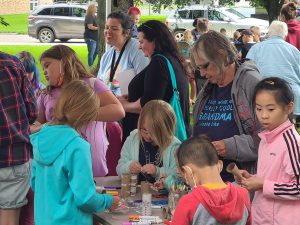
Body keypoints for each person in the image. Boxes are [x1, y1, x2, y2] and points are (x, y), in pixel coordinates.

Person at [30, 80, 119, 225]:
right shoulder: (77, 146)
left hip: (43, 219)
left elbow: (35, 183)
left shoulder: (41, 138)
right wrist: (108, 200)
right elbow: (85, 198)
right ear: (88, 115)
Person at [35, 45, 125, 177]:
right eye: (43, 68)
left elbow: (118, 111)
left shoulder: (92, 84)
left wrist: (80, 114)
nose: (44, 71)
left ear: (64, 62)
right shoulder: (46, 94)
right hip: (58, 160)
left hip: (91, 162)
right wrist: (46, 126)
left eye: (47, 65)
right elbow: (36, 125)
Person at [191, 31, 262, 182]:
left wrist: (229, 146)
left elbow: (268, 139)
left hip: (240, 184)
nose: (202, 74)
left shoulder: (250, 83)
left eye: (205, 66)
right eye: (199, 68)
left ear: (222, 56)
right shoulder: (209, 88)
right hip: (208, 184)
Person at [236, 77, 300, 225]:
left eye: (271, 109)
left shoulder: (291, 142)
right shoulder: (266, 138)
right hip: (262, 218)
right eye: (258, 109)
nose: (263, 115)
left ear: (289, 107)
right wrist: (252, 178)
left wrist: (263, 184)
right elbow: (275, 176)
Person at [118, 20, 190, 142]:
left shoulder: (159, 63)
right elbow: (160, 92)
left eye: (141, 42)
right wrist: (132, 97)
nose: (140, 47)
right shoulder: (173, 59)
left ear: (154, 41)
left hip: (154, 139)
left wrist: (124, 106)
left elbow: (149, 103)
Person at [172, 136, 251, 225]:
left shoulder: (187, 202)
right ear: (220, 165)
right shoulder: (243, 194)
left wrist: (179, 215)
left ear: (188, 171)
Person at [0, 52, 37, 225]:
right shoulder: (12, 63)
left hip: (13, 156)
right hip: (14, 155)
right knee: (9, 219)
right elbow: (31, 112)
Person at [246, 21, 300, 127]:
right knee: (288, 128)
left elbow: (247, 71)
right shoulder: (293, 50)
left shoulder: (256, 48)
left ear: (269, 33)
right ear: (285, 34)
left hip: (263, 95)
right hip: (291, 94)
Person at [116, 100, 180, 187]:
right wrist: (129, 167)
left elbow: (178, 177)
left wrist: (157, 172)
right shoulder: (132, 139)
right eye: (144, 130)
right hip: (137, 194)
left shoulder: (174, 147)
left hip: (163, 196)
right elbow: (119, 169)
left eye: (154, 133)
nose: (148, 136)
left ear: (166, 131)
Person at [97, 11, 149, 96]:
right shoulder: (106, 56)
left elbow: (145, 84)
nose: (108, 31)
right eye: (106, 27)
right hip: (109, 104)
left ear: (127, 32)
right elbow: (98, 85)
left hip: (128, 106)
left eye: (114, 29)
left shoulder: (137, 50)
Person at [84, 4, 99, 68]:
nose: (96, 8)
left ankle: (91, 64)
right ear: (92, 9)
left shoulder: (94, 16)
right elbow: (90, 26)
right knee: (91, 52)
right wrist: (98, 28)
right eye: (95, 7)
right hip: (90, 37)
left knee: (96, 51)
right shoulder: (89, 16)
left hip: (95, 37)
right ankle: (91, 66)